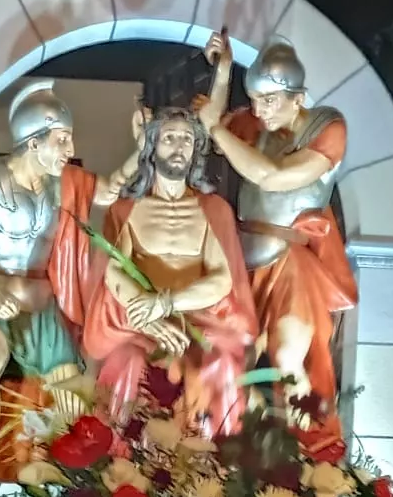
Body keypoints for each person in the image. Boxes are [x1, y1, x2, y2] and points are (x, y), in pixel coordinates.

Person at [0, 81, 141, 480]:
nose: (69, 150)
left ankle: (68, 475)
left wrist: (141, 149)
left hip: (44, 310)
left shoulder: (62, 183)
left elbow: (109, 191)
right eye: (62, 139)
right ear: (33, 142)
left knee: (73, 395)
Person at [198, 33, 357, 423]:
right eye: (254, 100)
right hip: (245, 260)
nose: (259, 109)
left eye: (268, 101)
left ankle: (303, 449)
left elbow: (272, 176)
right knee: (233, 360)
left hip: (291, 260)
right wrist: (222, 75)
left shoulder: (327, 127)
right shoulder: (254, 124)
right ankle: (242, 447)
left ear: (298, 98)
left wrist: (217, 130)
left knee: (288, 357)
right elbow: (211, 126)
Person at [82, 106, 261, 438]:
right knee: (126, 361)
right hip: (139, 324)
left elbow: (222, 278)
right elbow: (114, 271)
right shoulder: (126, 210)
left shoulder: (214, 210)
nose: (179, 146)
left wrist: (167, 305)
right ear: (151, 147)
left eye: (187, 139)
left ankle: (214, 462)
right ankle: (112, 458)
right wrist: (148, 314)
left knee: (216, 360)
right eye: (169, 138)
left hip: (200, 320)